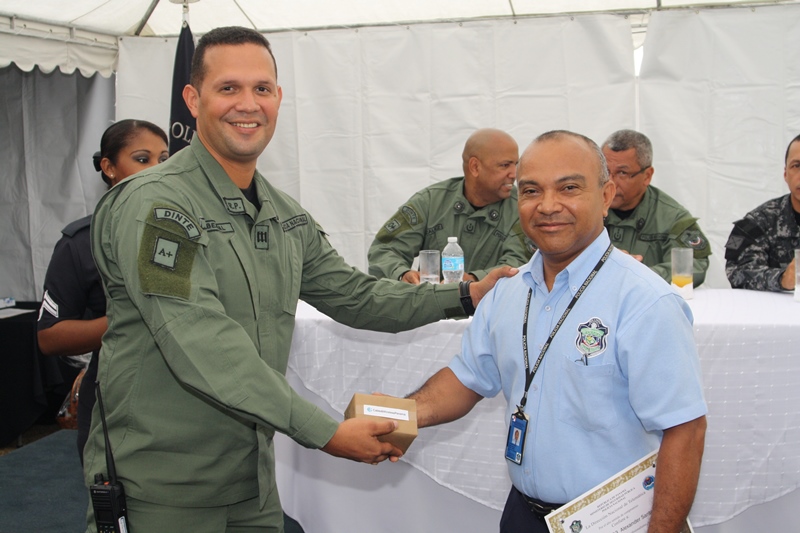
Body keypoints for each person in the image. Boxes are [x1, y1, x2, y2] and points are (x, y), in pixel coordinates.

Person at [83, 26, 513, 533]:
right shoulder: (157, 205)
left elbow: (356, 296)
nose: (248, 104)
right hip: (164, 487)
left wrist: (465, 295)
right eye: (228, 88)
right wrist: (325, 432)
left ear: (278, 98)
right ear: (193, 100)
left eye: (261, 88)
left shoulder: (282, 215)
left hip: (252, 480)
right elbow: (202, 340)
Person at [407, 131, 707, 533]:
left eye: (568, 188)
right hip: (523, 514)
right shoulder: (508, 292)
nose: (548, 206)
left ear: (605, 196)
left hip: (613, 521)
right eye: (531, 190)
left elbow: (685, 430)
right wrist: (397, 417)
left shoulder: (645, 301)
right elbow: (467, 379)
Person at [37, 119, 169, 463]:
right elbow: (50, 337)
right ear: (109, 168)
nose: (156, 169)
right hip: (117, 400)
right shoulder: (81, 243)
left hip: (187, 399)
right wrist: (129, 320)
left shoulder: (189, 234)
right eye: (142, 159)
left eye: (164, 159)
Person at [368, 128, 533, 283]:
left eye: (516, 164)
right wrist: (402, 274)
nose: (514, 174)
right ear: (475, 167)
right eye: (505, 165)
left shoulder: (522, 208)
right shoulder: (431, 202)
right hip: (432, 303)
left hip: (493, 303)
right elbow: (384, 250)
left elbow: (519, 265)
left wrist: (474, 281)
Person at [601, 129, 711, 285]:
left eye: (622, 173)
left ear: (647, 176)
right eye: (605, 171)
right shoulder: (585, 208)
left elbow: (695, 265)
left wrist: (638, 274)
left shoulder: (672, 217)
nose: (610, 182)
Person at [725, 133, 800, 291]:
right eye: (797, 166)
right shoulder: (758, 221)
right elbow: (736, 272)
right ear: (786, 174)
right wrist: (782, 279)